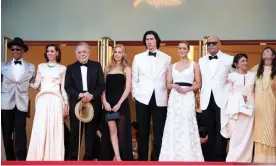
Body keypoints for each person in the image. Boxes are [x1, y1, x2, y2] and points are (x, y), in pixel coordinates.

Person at [159, 41, 204, 161]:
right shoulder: (172, 66)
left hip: (188, 95)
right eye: (179, 48)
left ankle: (188, 155)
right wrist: (174, 86)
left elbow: (199, 83)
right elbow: (168, 84)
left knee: (187, 121)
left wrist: (187, 89)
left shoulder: (194, 65)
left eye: (184, 48)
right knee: (173, 123)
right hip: (175, 96)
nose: (181, 50)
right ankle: (172, 156)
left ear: (188, 50)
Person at [132, 30, 171, 161]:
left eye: (151, 39)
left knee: (159, 132)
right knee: (143, 131)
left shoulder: (167, 58)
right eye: (147, 39)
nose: (149, 41)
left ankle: (158, 160)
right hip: (142, 98)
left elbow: (168, 79)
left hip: (160, 98)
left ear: (156, 40)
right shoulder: (138, 57)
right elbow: (134, 79)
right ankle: (142, 161)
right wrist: (136, 95)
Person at [26, 44, 69, 160]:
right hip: (42, 100)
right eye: (48, 51)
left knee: (55, 128)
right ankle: (38, 157)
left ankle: (54, 158)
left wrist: (66, 104)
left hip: (56, 100)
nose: (49, 53)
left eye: (52, 51)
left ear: (57, 53)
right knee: (40, 127)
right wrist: (24, 81)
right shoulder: (41, 66)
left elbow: (63, 89)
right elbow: (36, 85)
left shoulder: (62, 68)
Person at [65, 42, 105, 160]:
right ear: (76, 54)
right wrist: (80, 95)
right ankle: (73, 160)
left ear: (89, 52)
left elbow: (101, 85)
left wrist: (91, 96)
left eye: (84, 52)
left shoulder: (96, 66)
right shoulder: (70, 68)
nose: (82, 54)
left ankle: (88, 160)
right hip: (76, 104)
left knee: (91, 135)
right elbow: (68, 86)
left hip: (93, 103)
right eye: (79, 52)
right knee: (75, 134)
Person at [199, 36, 233, 161]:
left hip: (222, 99)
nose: (211, 45)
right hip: (206, 99)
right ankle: (209, 159)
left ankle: (220, 158)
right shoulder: (201, 60)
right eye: (209, 43)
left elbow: (234, 78)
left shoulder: (229, 59)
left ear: (219, 44)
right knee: (209, 129)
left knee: (222, 128)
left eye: (214, 43)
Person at [1, 37, 35, 160]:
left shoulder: (31, 67)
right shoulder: (2, 65)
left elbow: (36, 83)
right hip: (5, 103)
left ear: (22, 51)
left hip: (21, 102)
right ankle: (9, 159)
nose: (15, 51)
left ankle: (21, 159)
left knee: (21, 131)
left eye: (17, 49)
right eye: (12, 49)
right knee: (6, 131)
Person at [101, 44, 133, 161]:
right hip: (109, 104)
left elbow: (128, 88)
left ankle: (119, 156)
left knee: (122, 132)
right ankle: (117, 157)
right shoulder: (107, 69)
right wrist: (104, 102)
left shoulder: (127, 69)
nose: (117, 54)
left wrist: (119, 103)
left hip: (121, 103)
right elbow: (103, 88)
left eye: (120, 52)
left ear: (123, 54)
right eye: (115, 52)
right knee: (112, 131)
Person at [221, 54, 255, 162]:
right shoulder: (231, 77)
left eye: (246, 60)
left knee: (248, 136)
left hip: (249, 108)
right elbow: (227, 93)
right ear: (236, 64)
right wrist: (239, 98)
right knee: (236, 135)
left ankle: (246, 160)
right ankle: (233, 160)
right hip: (236, 109)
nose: (245, 63)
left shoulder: (253, 75)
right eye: (242, 61)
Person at [251, 47, 276, 163]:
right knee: (258, 130)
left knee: (270, 129)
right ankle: (259, 159)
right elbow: (245, 80)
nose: (265, 53)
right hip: (258, 104)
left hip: (271, 104)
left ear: (273, 56)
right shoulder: (255, 69)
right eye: (264, 51)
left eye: (268, 51)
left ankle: (271, 160)